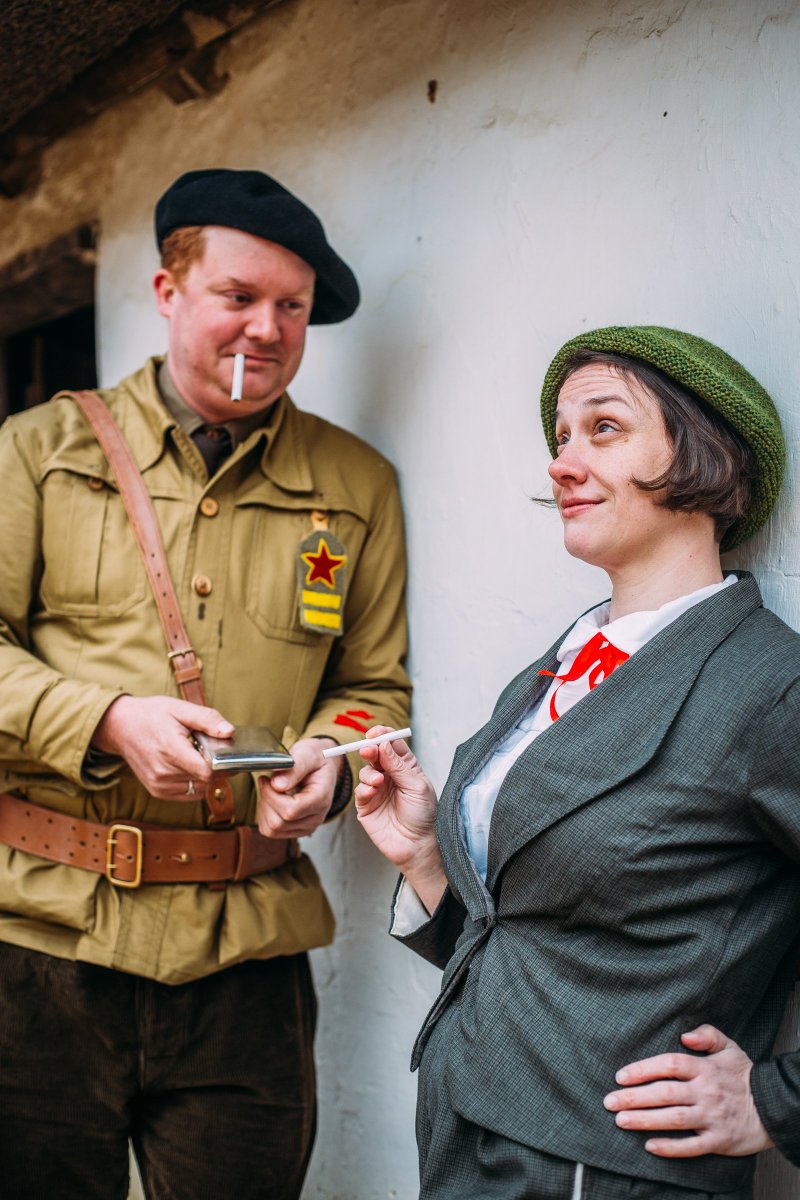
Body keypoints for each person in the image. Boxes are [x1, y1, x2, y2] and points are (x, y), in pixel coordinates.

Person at [0, 168, 410, 1200]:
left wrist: (328, 754)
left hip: (248, 959)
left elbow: (373, 687)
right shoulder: (37, 452)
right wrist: (102, 720)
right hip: (40, 946)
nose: (266, 328)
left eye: (293, 307)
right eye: (238, 296)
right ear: (167, 290)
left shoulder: (355, 486)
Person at [355, 326, 800, 1200]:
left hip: (608, 1169)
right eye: (560, 437)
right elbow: (541, 936)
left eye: (603, 429)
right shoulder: (556, 666)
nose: (561, 463)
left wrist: (777, 1104)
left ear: (706, 456)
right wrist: (426, 858)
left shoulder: (769, 686)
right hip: (463, 1137)